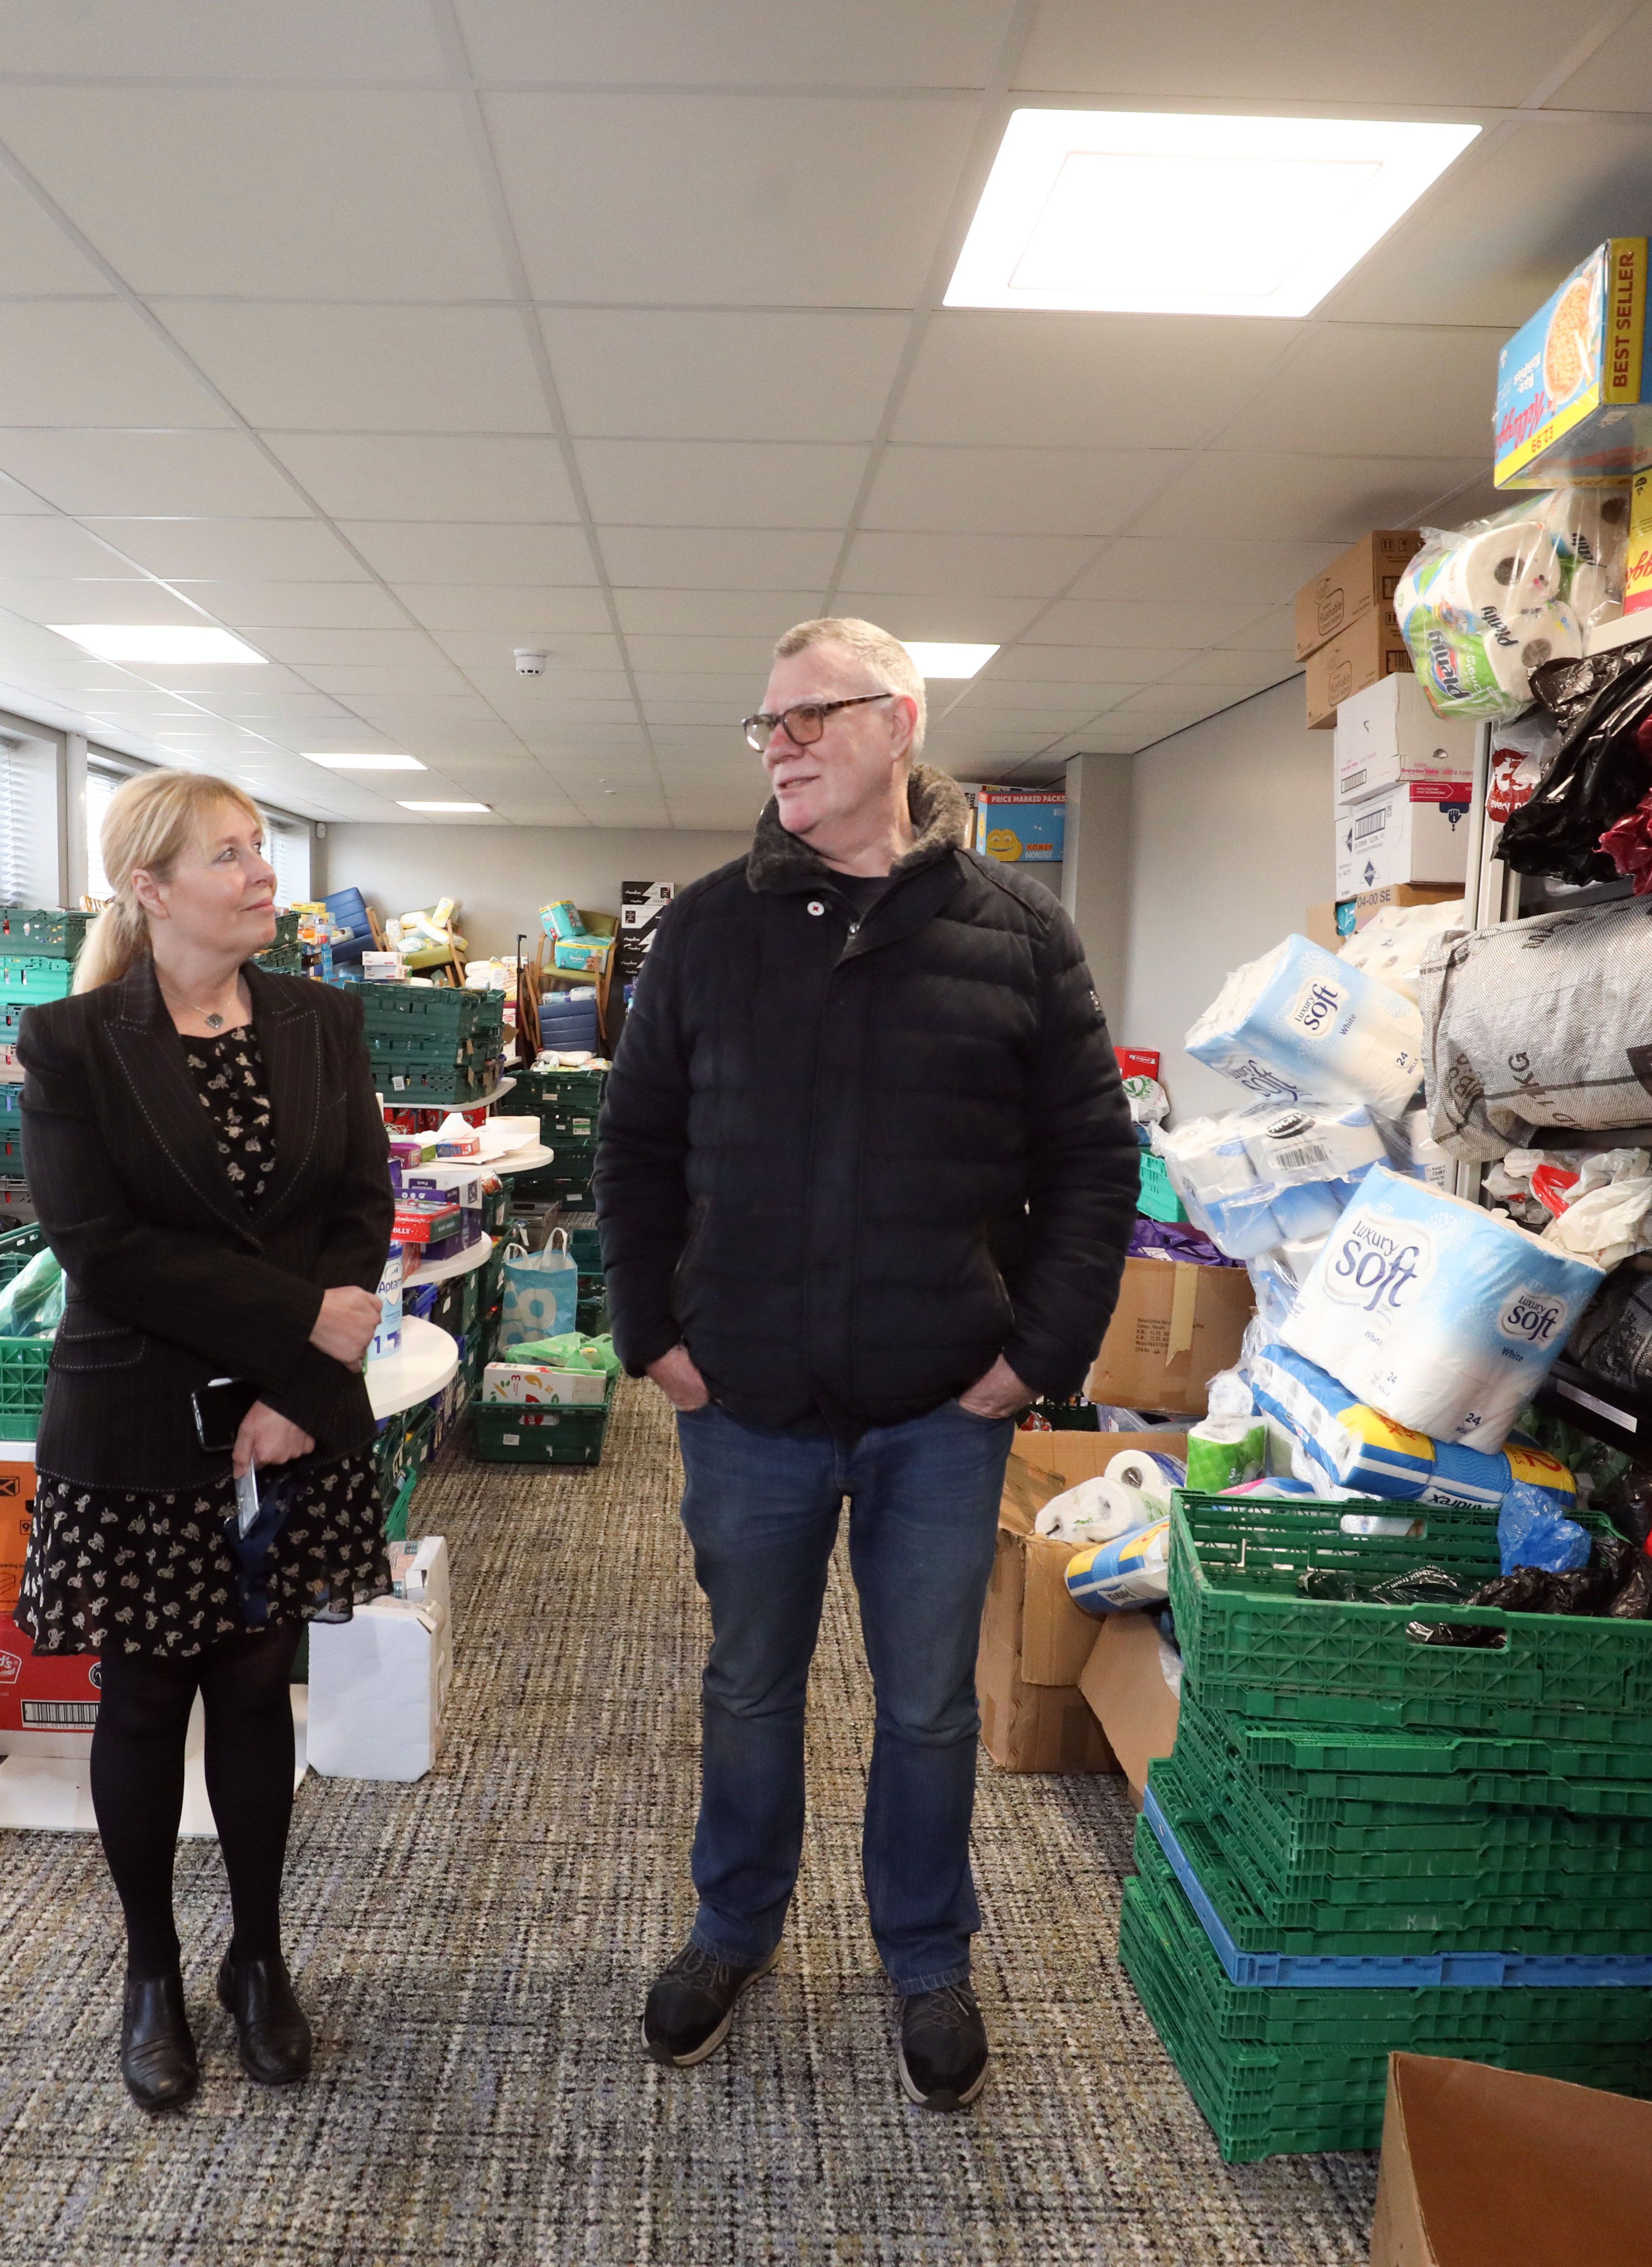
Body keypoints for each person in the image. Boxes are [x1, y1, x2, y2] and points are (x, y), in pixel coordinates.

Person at [599, 617, 1139, 2111]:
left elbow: (1097, 1166)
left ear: (898, 723)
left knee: (927, 1705)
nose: (775, 741)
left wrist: (1031, 1357)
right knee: (749, 1687)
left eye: (808, 716)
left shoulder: (1018, 935)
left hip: (937, 1408)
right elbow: (635, 1149)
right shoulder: (707, 929)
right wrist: (653, 1334)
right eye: (763, 722)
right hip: (749, 1405)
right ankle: (734, 1927)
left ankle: (925, 1951)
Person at [11, 769, 397, 2115]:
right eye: (227, 855)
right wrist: (309, 1318)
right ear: (148, 886)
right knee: (143, 1698)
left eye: (260, 848)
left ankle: (258, 1958)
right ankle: (150, 1972)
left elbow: (359, 1203)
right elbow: (101, 1250)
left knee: (251, 1690)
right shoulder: (71, 1044)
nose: (260, 874)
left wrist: (298, 1381)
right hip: (138, 1420)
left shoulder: (321, 1020)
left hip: (291, 1425)